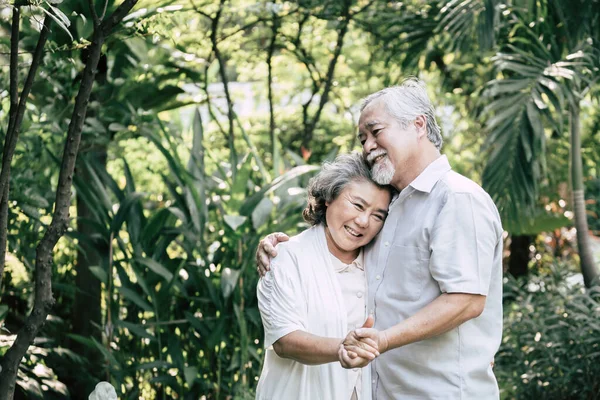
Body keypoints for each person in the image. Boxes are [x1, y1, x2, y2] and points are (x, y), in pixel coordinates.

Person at [256, 78, 503, 399]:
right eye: (362, 138)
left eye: (376, 131)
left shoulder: (457, 198)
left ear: (417, 125)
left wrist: (382, 340)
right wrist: (279, 246)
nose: (368, 145)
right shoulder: (392, 204)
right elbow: (337, 252)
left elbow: (467, 300)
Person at [256, 153, 393, 400]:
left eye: (378, 216)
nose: (363, 221)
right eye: (358, 205)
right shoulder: (287, 257)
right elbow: (285, 341)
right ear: (329, 197)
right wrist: (344, 347)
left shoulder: (381, 264)